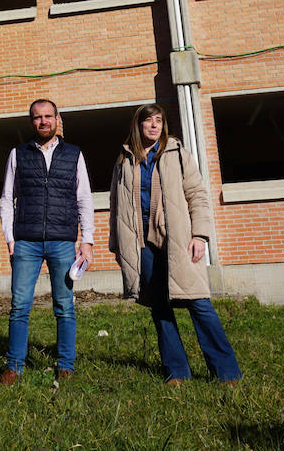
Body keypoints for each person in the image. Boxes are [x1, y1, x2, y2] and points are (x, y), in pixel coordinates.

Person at [109, 103, 240, 383]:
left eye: (158, 120)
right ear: (138, 125)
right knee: (159, 307)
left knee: (199, 303)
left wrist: (200, 235)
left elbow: (197, 194)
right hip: (140, 243)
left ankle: (226, 372)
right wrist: (117, 245)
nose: (154, 125)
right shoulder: (124, 158)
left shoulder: (177, 153)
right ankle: (177, 371)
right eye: (148, 121)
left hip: (178, 240)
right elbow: (115, 205)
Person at [0, 98, 94, 384]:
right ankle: (14, 366)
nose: (43, 121)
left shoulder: (74, 154)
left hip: (63, 242)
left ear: (57, 119)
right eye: (37, 117)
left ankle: (66, 365)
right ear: (31, 122)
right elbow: (6, 199)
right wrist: (10, 238)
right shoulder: (18, 154)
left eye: (48, 116)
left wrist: (86, 240)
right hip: (25, 242)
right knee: (19, 306)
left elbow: (84, 199)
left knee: (64, 306)